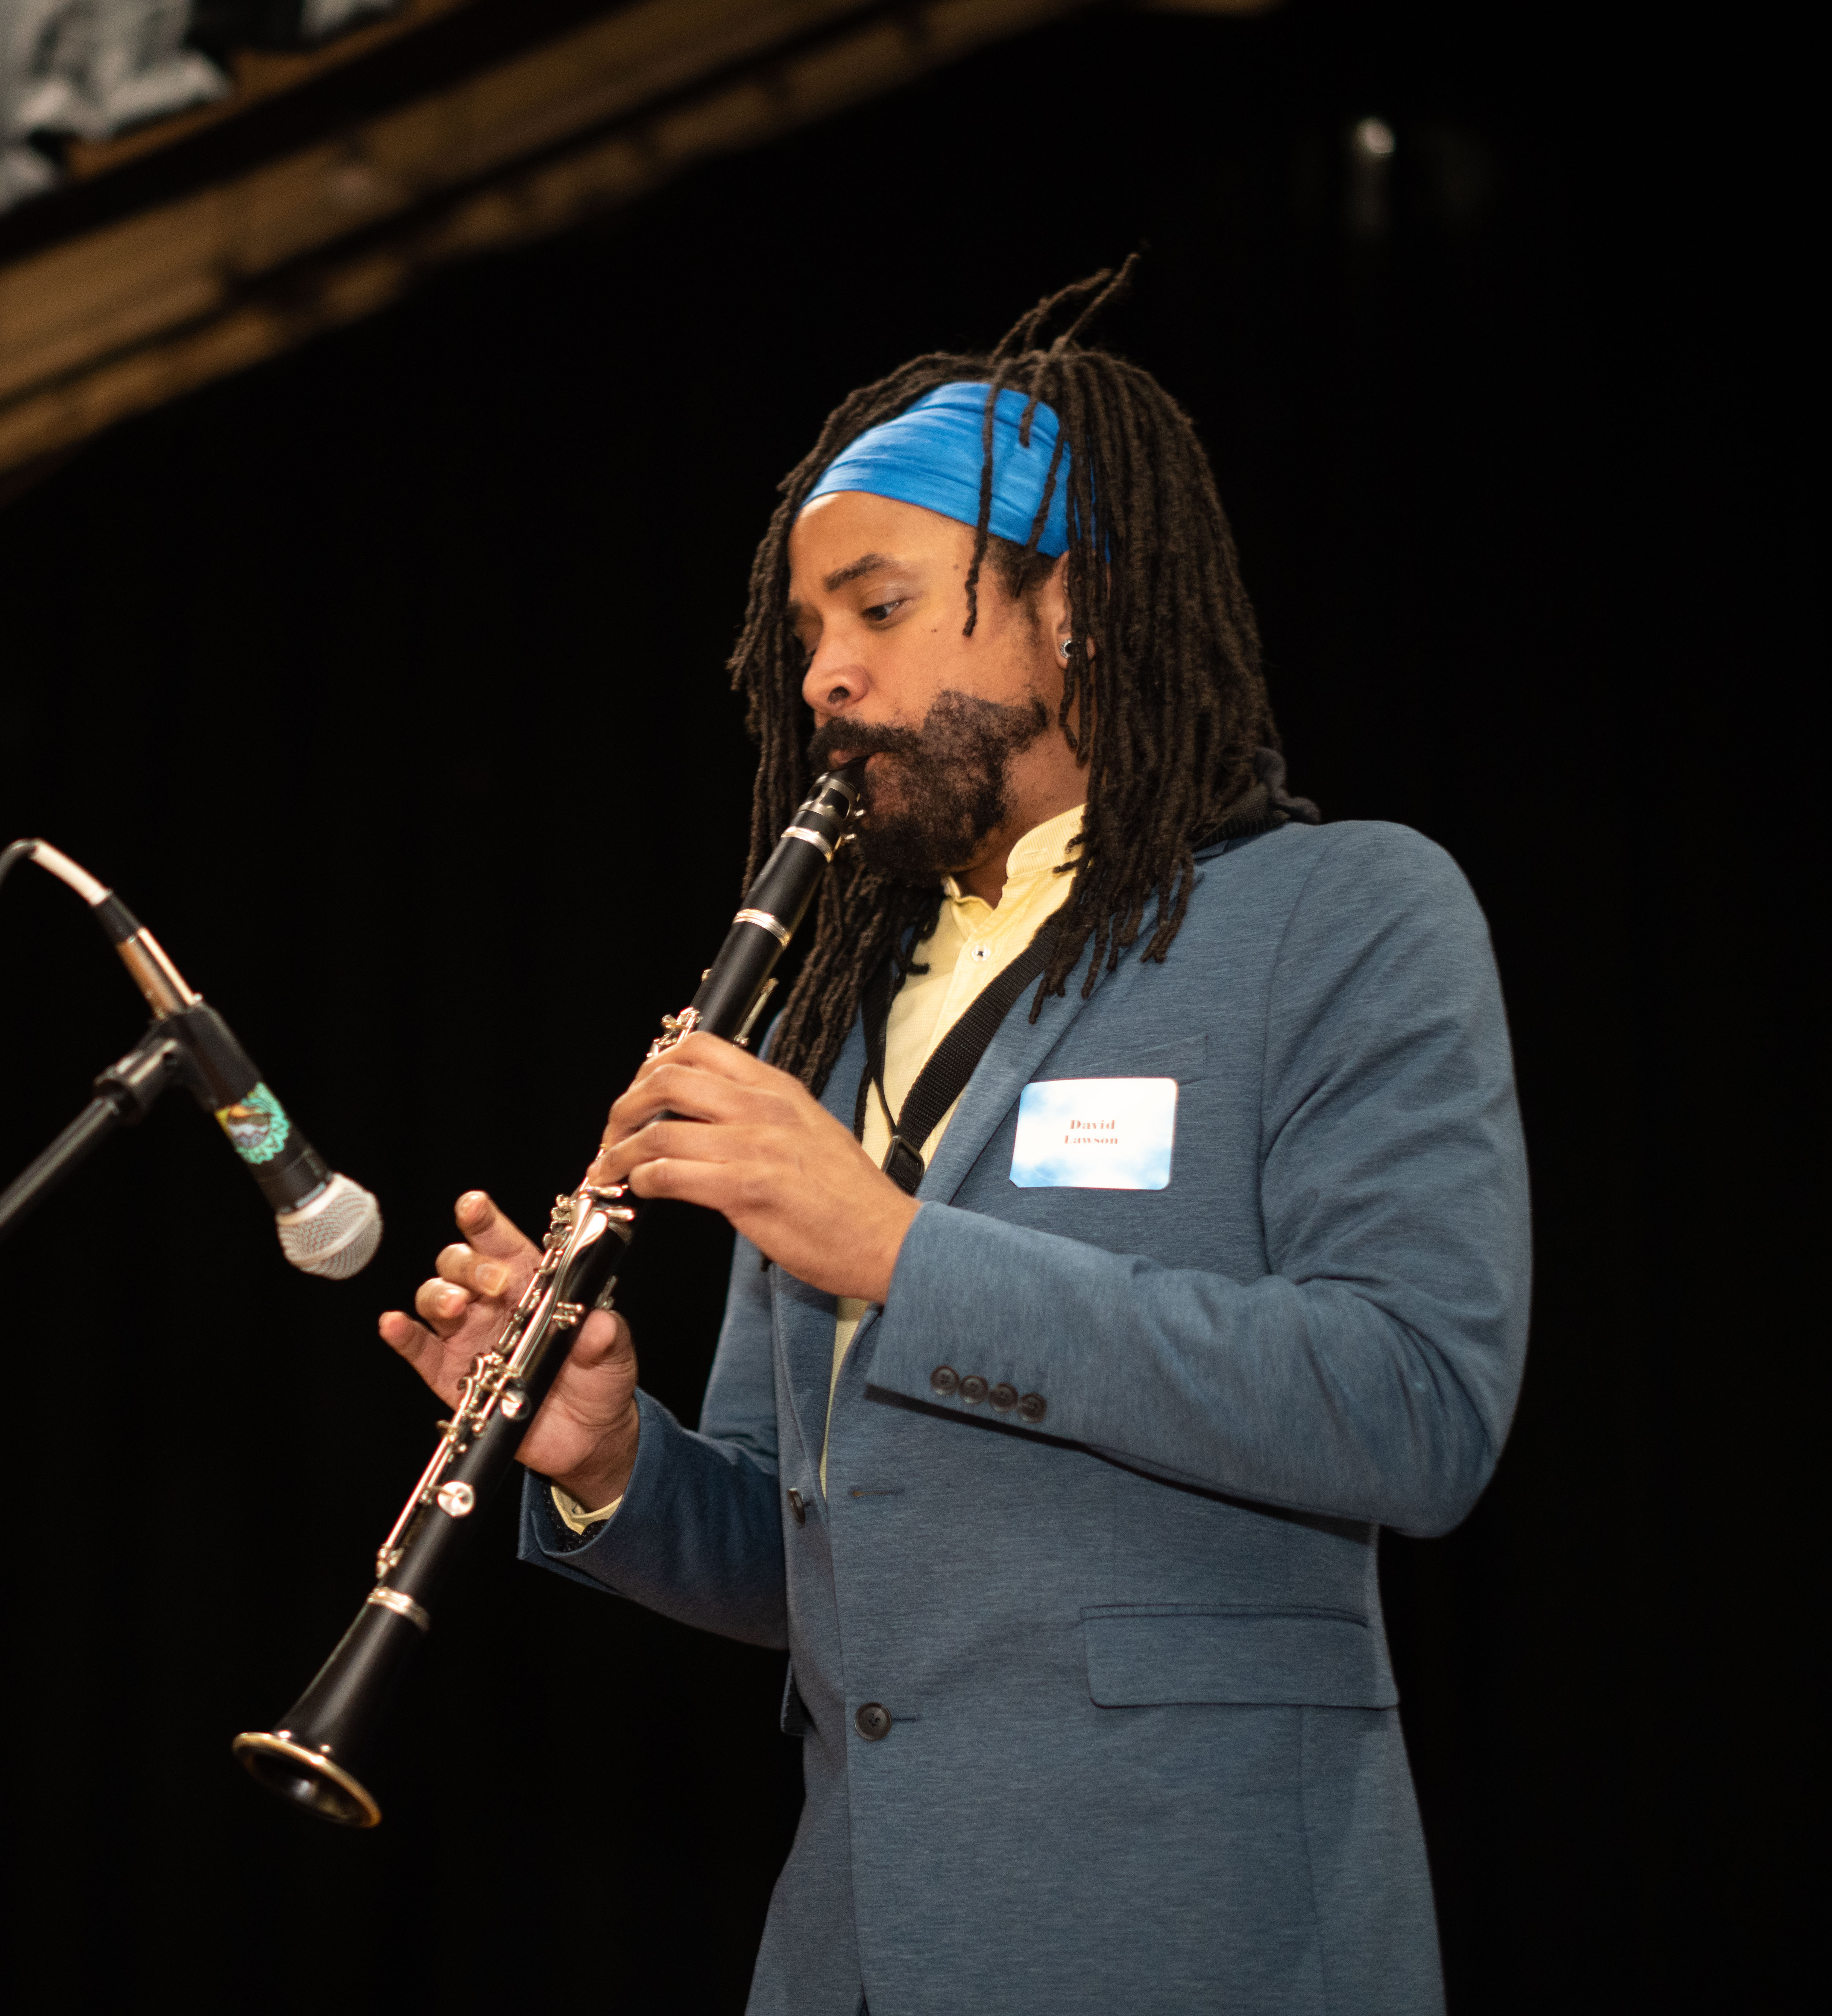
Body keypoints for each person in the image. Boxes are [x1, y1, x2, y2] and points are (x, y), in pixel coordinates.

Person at [379, 267, 1529, 2015]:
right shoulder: (839, 1015)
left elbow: (1416, 1403)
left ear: (1073, 606)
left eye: (883, 607)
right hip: (852, 1947)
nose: (828, 676)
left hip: (1202, 1935)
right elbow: (806, 1552)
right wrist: (610, 1453)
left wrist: (904, 1254)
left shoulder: (1342, 912)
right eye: (805, 637)